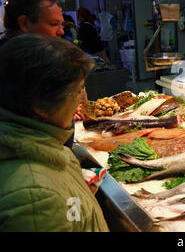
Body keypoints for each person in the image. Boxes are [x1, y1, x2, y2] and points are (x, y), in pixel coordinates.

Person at [0, 34, 109, 231]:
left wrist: (77, 194)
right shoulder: (35, 197)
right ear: (41, 105)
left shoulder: (43, 140)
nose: (81, 100)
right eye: (77, 91)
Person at [0, 0, 90, 147]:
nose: (61, 31)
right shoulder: (14, 65)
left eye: (61, 24)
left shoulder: (46, 56)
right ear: (24, 23)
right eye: (54, 24)